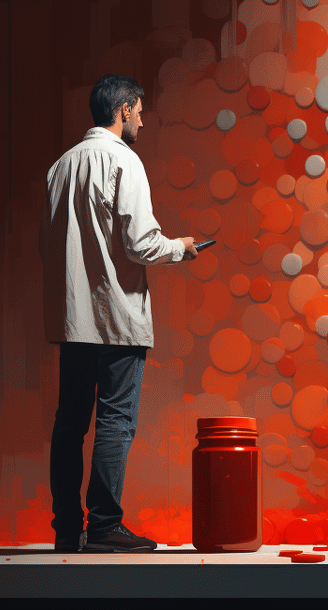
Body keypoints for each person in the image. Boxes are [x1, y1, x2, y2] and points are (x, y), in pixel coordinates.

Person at [39, 73, 197, 553]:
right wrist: (181, 248)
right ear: (124, 109)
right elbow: (140, 243)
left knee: (70, 423)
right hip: (117, 318)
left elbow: (50, 244)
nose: (143, 122)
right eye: (141, 112)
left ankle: (67, 527)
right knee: (115, 421)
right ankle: (105, 524)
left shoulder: (60, 166)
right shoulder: (123, 160)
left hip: (73, 318)